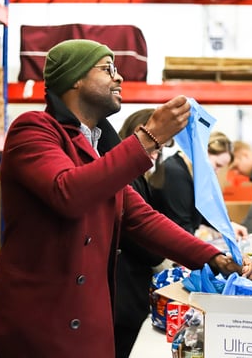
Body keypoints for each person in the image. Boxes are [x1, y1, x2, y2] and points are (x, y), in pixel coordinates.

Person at [0, 39, 251, 358]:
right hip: (37, 326)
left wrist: (213, 259)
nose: (119, 77)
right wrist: (148, 138)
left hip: (88, 326)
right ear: (75, 78)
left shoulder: (97, 148)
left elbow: (142, 218)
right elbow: (68, 193)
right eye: (107, 69)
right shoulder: (34, 130)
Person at [114, 108, 166, 358]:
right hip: (123, 293)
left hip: (128, 290)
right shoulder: (126, 176)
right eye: (155, 147)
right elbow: (140, 232)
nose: (156, 156)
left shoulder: (134, 175)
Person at [161, 131, 248, 238]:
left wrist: (228, 226)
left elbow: (203, 211)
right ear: (203, 152)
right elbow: (181, 226)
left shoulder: (192, 173)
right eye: (217, 165)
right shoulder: (175, 173)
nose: (216, 172)